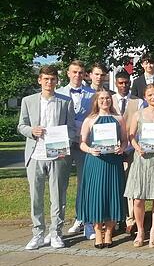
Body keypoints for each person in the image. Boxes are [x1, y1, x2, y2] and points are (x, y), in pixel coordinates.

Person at [18, 65, 76, 250]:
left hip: (57, 154)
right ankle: (38, 233)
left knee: (58, 196)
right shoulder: (28, 101)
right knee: (36, 196)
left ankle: (56, 233)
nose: (49, 82)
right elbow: (21, 125)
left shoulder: (65, 101)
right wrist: (31, 131)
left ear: (57, 81)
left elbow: (73, 128)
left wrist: (65, 138)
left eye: (52, 79)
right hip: (36, 154)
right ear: (39, 80)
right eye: (45, 79)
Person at [78, 88, 128, 248]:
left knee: (112, 194)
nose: (105, 101)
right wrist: (90, 150)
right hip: (96, 162)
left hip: (114, 162)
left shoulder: (119, 118)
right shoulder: (90, 119)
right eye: (101, 99)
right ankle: (98, 231)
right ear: (96, 101)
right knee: (97, 195)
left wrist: (122, 148)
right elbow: (82, 143)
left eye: (107, 98)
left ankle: (109, 232)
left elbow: (125, 140)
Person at [125, 83, 154, 248]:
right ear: (145, 97)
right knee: (138, 198)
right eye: (150, 95)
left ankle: (153, 231)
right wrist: (137, 147)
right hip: (142, 159)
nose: (153, 97)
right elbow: (131, 136)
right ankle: (140, 230)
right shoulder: (138, 115)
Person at [56, 60, 95, 237]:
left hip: (84, 144)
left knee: (84, 183)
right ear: (68, 73)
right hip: (63, 143)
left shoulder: (93, 94)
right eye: (74, 72)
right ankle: (57, 225)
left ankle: (84, 219)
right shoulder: (58, 93)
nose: (77, 75)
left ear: (84, 74)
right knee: (59, 184)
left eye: (80, 72)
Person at [112, 70, 142, 235]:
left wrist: (130, 146)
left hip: (131, 149)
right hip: (111, 150)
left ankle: (130, 220)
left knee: (131, 185)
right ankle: (116, 218)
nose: (124, 85)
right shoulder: (109, 100)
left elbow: (140, 128)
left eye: (126, 83)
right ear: (116, 83)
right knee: (115, 184)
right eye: (121, 83)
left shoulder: (138, 102)